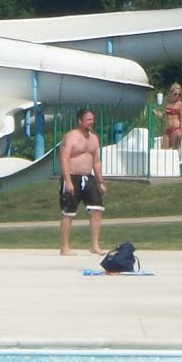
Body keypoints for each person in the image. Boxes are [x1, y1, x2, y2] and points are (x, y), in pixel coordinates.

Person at [58, 108, 106, 256]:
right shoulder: (71, 137)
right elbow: (64, 159)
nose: (92, 122)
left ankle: (94, 245)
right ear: (80, 121)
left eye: (92, 119)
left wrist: (100, 181)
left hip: (89, 178)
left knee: (97, 210)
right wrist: (67, 181)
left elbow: (96, 161)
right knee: (69, 213)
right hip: (72, 177)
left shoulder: (94, 139)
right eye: (88, 119)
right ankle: (64, 247)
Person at [159, 84, 182, 151]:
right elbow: (163, 115)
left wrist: (181, 130)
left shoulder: (180, 105)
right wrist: (156, 113)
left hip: (176, 130)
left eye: (179, 94)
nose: (177, 96)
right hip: (168, 130)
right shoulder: (167, 104)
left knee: (174, 152)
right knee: (163, 151)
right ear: (171, 93)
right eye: (175, 94)